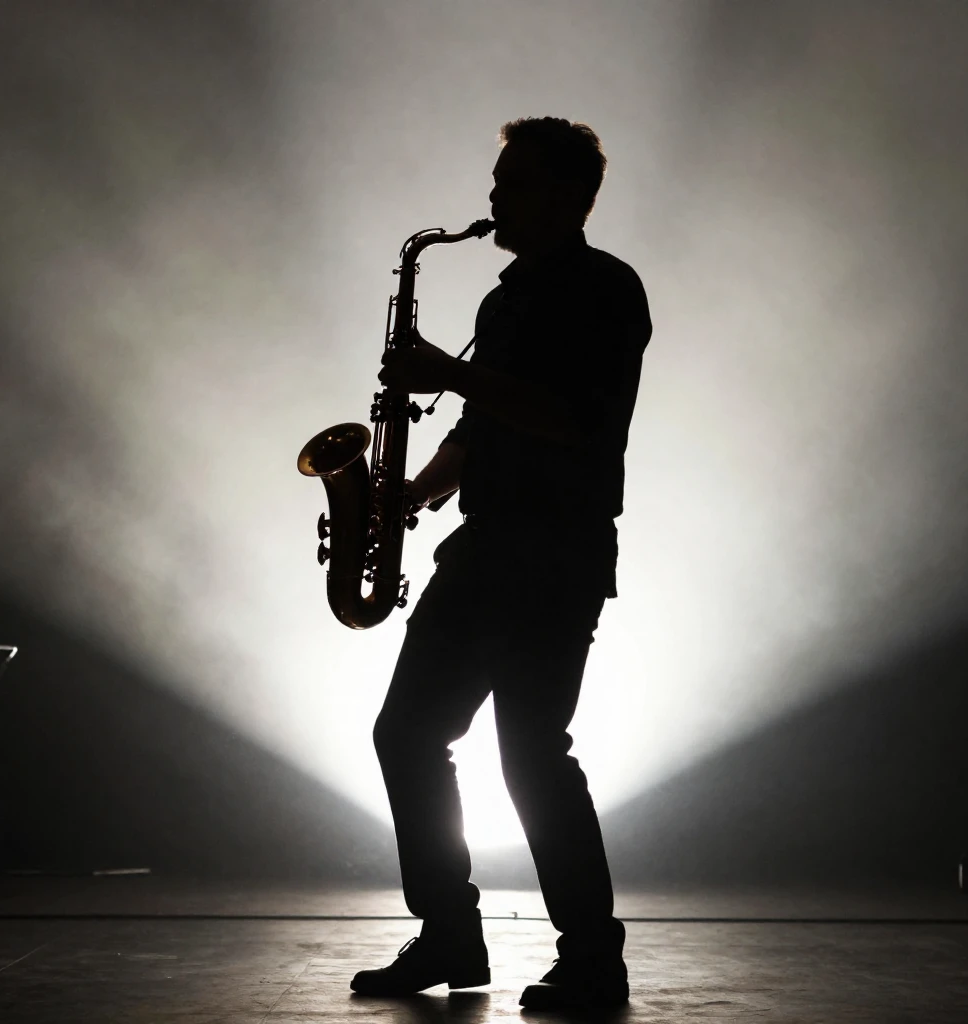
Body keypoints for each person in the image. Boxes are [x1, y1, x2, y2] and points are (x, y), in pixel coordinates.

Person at [350, 116, 652, 1010]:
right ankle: (449, 931)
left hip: (554, 551)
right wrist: (414, 492)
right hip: (484, 548)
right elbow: (480, 426)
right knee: (408, 734)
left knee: (531, 755)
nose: (491, 197)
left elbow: (572, 418)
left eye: (512, 181)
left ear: (567, 196)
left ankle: (592, 958)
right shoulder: (505, 298)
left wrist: (448, 371)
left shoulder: (606, 289)